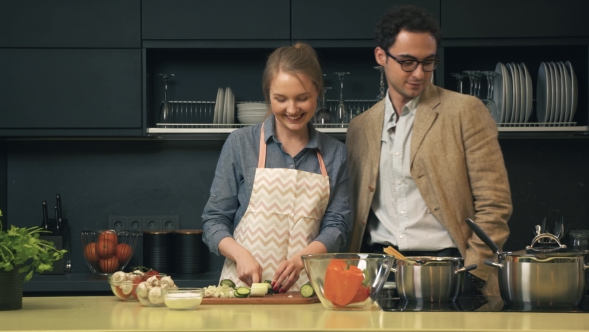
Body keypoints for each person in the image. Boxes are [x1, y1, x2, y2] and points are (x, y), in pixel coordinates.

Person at [346, 5, 512, 296]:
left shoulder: (465, 111)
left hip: (451, 271)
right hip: (377, 274)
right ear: (381, 56)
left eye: (429, 62)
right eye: (407, 62)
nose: (420, 73)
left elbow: (494, 205)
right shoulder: (360, 126)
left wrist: (474, 276)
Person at [202, 43, 350, 293]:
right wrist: (240, 255)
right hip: (244, 288)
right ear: (268, 94)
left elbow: (338, 226)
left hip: (308, 289)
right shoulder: (241, 144)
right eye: (281, 99)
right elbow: (214, 221)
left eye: (302, 98)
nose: (292, 109)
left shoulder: (335, 153)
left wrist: (302, 260)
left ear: (318, 92)